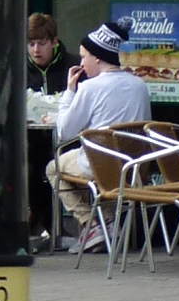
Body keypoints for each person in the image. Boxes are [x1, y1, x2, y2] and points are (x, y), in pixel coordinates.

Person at [44, 18, 152, 250]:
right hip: (133, 169)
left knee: (53, 168)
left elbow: (64, 132)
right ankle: (109, 223)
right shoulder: (139, 85)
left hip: (100, 168)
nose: (81, 61)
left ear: (98, 57)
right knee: (106, 170)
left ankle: (90, 224)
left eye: (84, 57)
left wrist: (70, 91)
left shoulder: (89, 87)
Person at [25, 13, 75, 93]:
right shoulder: (19, 71)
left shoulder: (74, 66)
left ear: (54, 42)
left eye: (42, 43)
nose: (36, 50)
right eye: (31, 44)